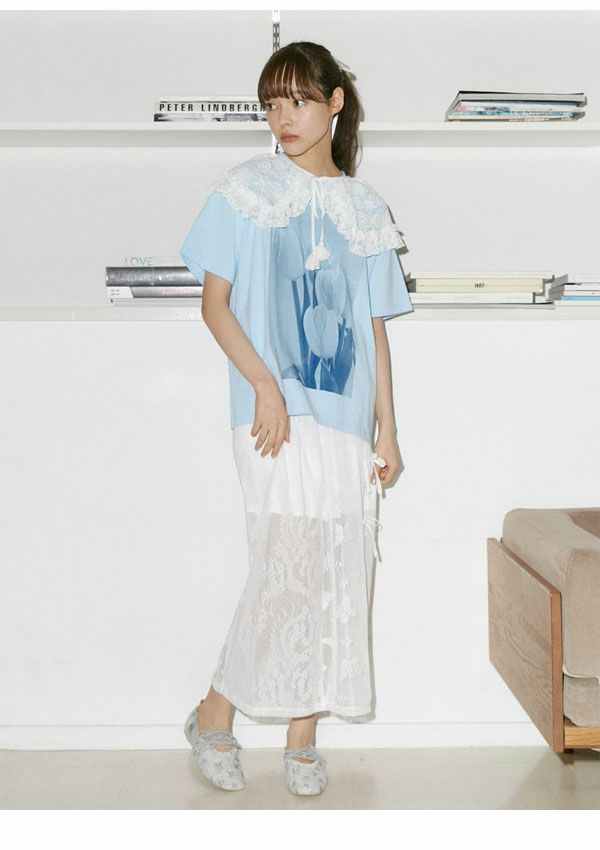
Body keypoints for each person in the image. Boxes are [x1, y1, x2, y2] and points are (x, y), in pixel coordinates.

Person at [180, 41, 414, 796]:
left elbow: (373, 327)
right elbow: (215, 305)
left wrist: (387, 427)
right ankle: (214, 714)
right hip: (270, 414)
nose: (284, 118)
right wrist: (265, 386)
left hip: (347, 418)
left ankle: (302, 735)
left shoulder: (366, 209)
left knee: (336, 571)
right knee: (283, 568)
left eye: (300, 101)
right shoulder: (245, 191)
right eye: (272, 104)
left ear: (334, 102)